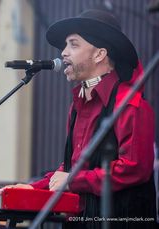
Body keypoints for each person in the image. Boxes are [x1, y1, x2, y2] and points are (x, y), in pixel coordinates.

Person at [9, 9, 157, 229]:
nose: (63, 53)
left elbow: (134, 168)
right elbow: (75, 166)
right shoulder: (78, 104)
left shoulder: (130, 105)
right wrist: (35, 188)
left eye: (73, 44)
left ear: (99, 54)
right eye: (65, 45)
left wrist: (72, 181)